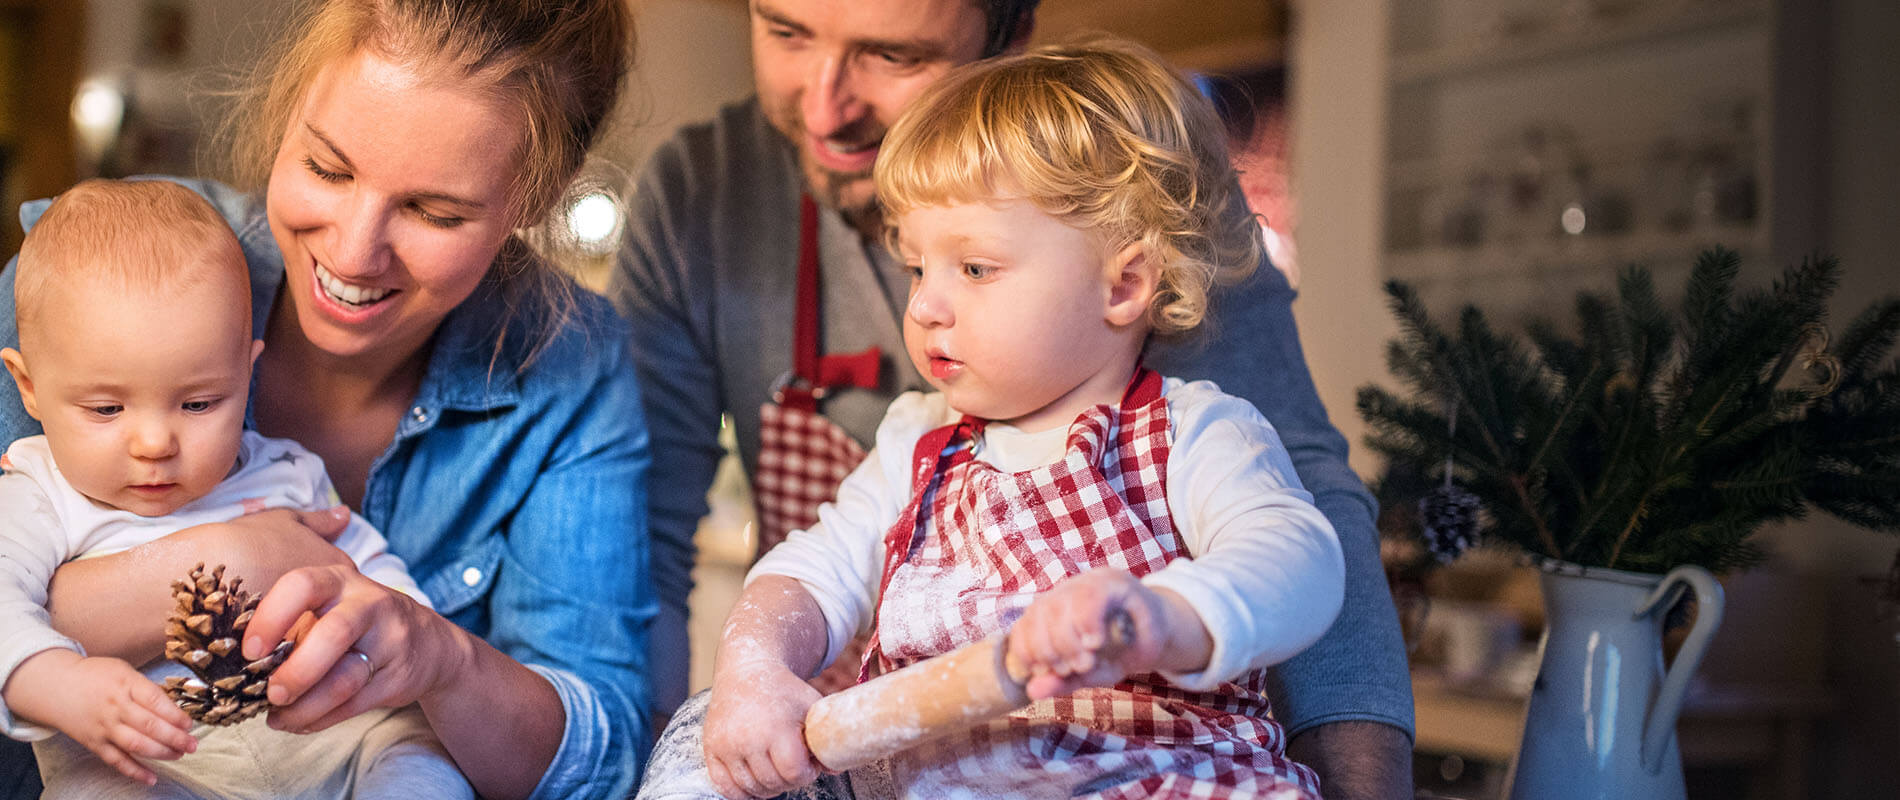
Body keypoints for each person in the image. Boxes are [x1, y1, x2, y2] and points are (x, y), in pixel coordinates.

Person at [609, 0, 1413, 796]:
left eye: (976, 269)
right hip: (926, 770)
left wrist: (1165, 618)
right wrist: (754, 665)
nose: (920, 305)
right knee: (698, 745)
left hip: (1144, 775)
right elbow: (810, 569)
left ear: (1126, 283)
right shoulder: (916, 443)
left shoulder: (1193, 430)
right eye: (915, 264)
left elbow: (1300, 555)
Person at [0, 2, 653, 798]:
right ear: (287, 119)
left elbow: (606, 755)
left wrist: (440, 659)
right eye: (327, 168)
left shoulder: (571, 366)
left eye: (433, 211)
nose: (351, 250)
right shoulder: (92, 283)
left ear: (534, 206)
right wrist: (244, 559)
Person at [0, 179, 470, 799]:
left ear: (245, 375)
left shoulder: (288, 473)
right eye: (107, 409)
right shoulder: (39, 492)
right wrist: (55, 679)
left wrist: (384, 634)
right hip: (152, 762)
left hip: (330, 739)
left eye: (198, 402)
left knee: (420, 759)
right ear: (28, 387)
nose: (154, 443)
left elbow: (374, 580)